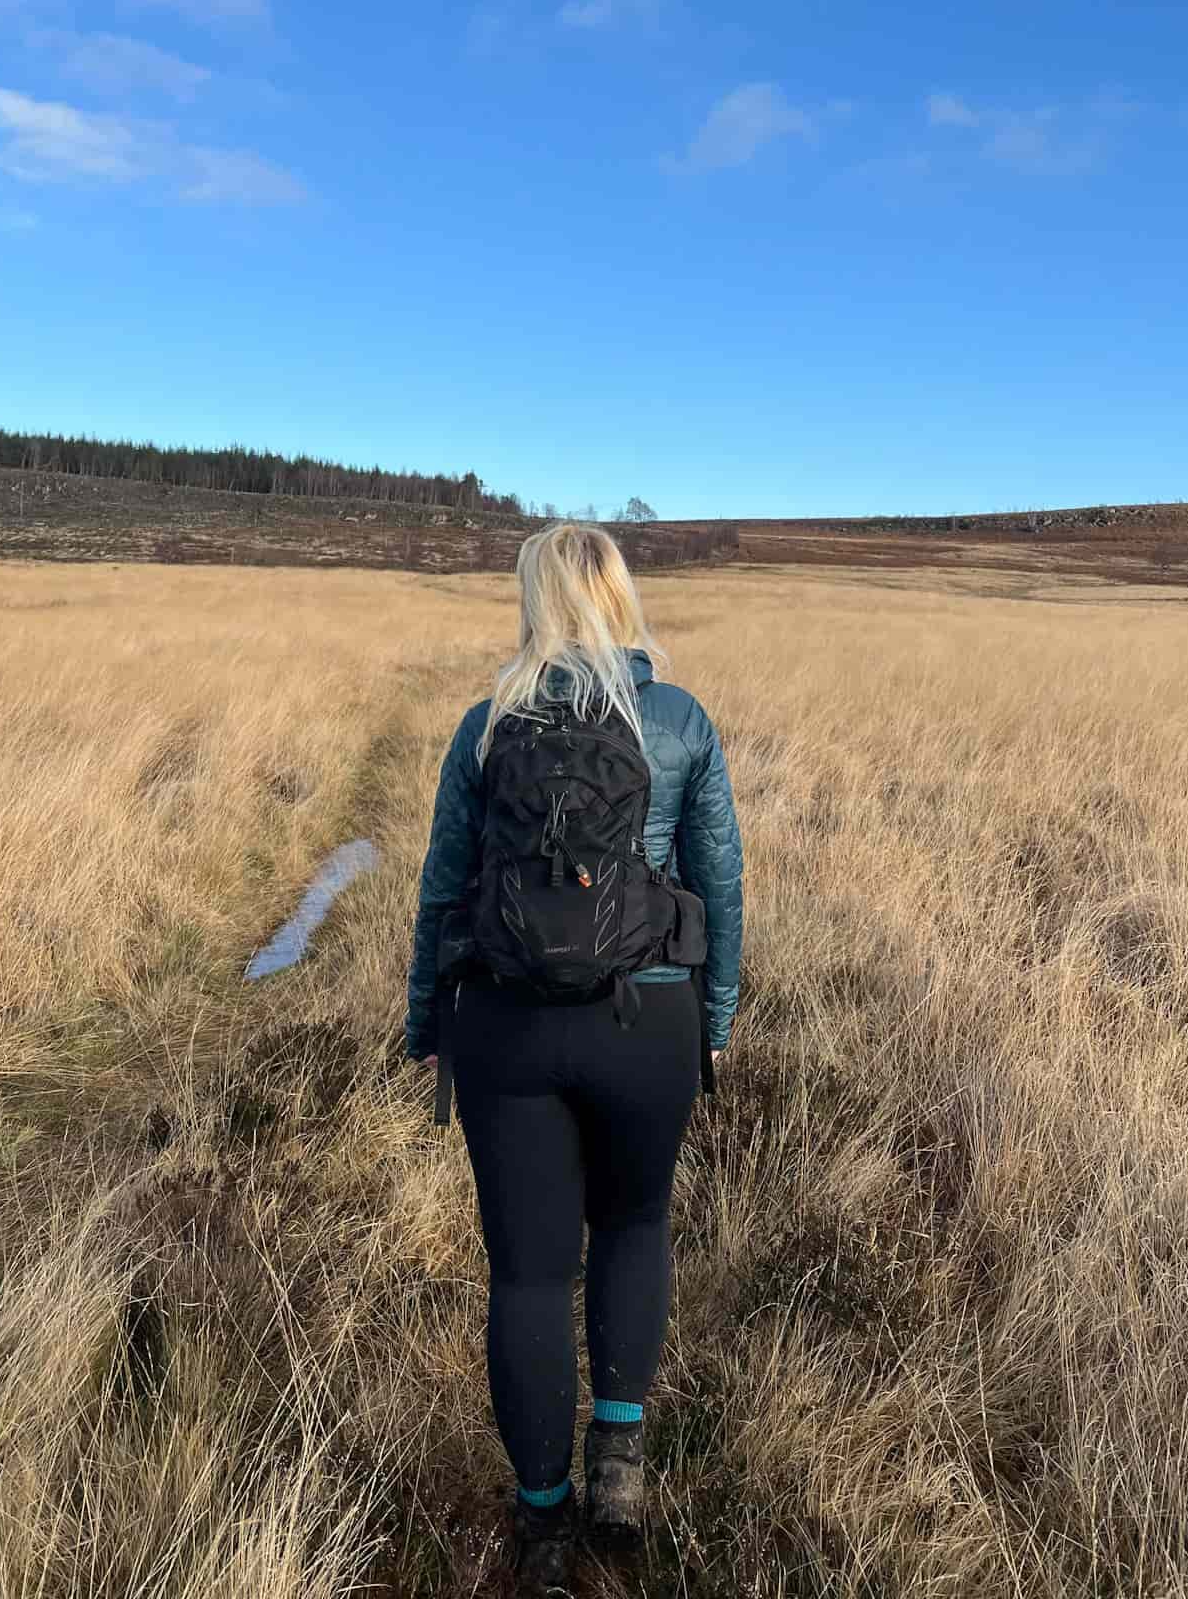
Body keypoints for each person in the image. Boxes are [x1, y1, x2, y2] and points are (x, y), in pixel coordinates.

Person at [405, 521, 744, 1595]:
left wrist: (424, 1017)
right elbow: (719, 883)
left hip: (505, 1027)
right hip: (648, 1021)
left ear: (534, 600)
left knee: (529, 1272)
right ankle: (622, 1461)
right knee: (636, 1223)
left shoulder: (486, 723)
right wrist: (719, 1014)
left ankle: (542, 1516)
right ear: (621, 596)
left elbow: (441, 887)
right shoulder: (678, 719)